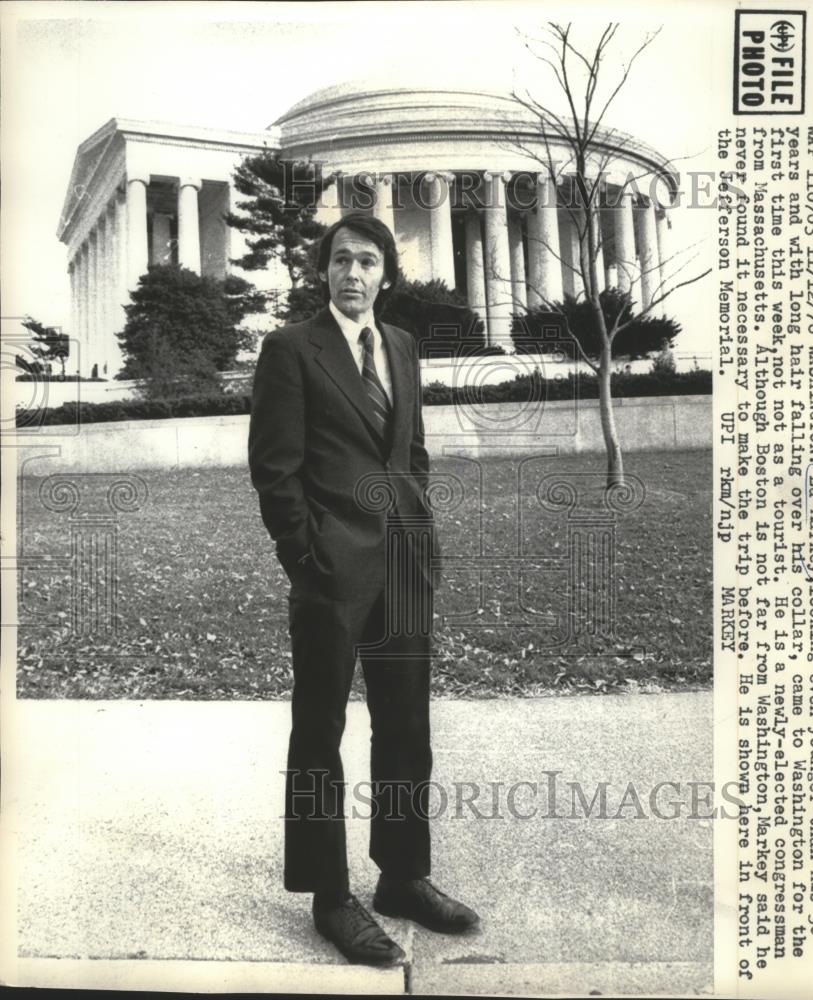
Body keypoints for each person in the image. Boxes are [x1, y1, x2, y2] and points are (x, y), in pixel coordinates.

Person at [248, 212, 479, 965]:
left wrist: (424, 539)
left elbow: (410, 453)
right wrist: (304, 555)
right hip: (330, 571)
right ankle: (328, 896)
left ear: (386, 273)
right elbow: (274, 469)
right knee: (320, 733)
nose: (354, 273)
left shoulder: (403, 347)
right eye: (341, 260)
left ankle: (402, 877)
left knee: (406, 728)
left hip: (404, 570)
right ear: (324, 271)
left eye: (368, 261)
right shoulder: (290, 350)